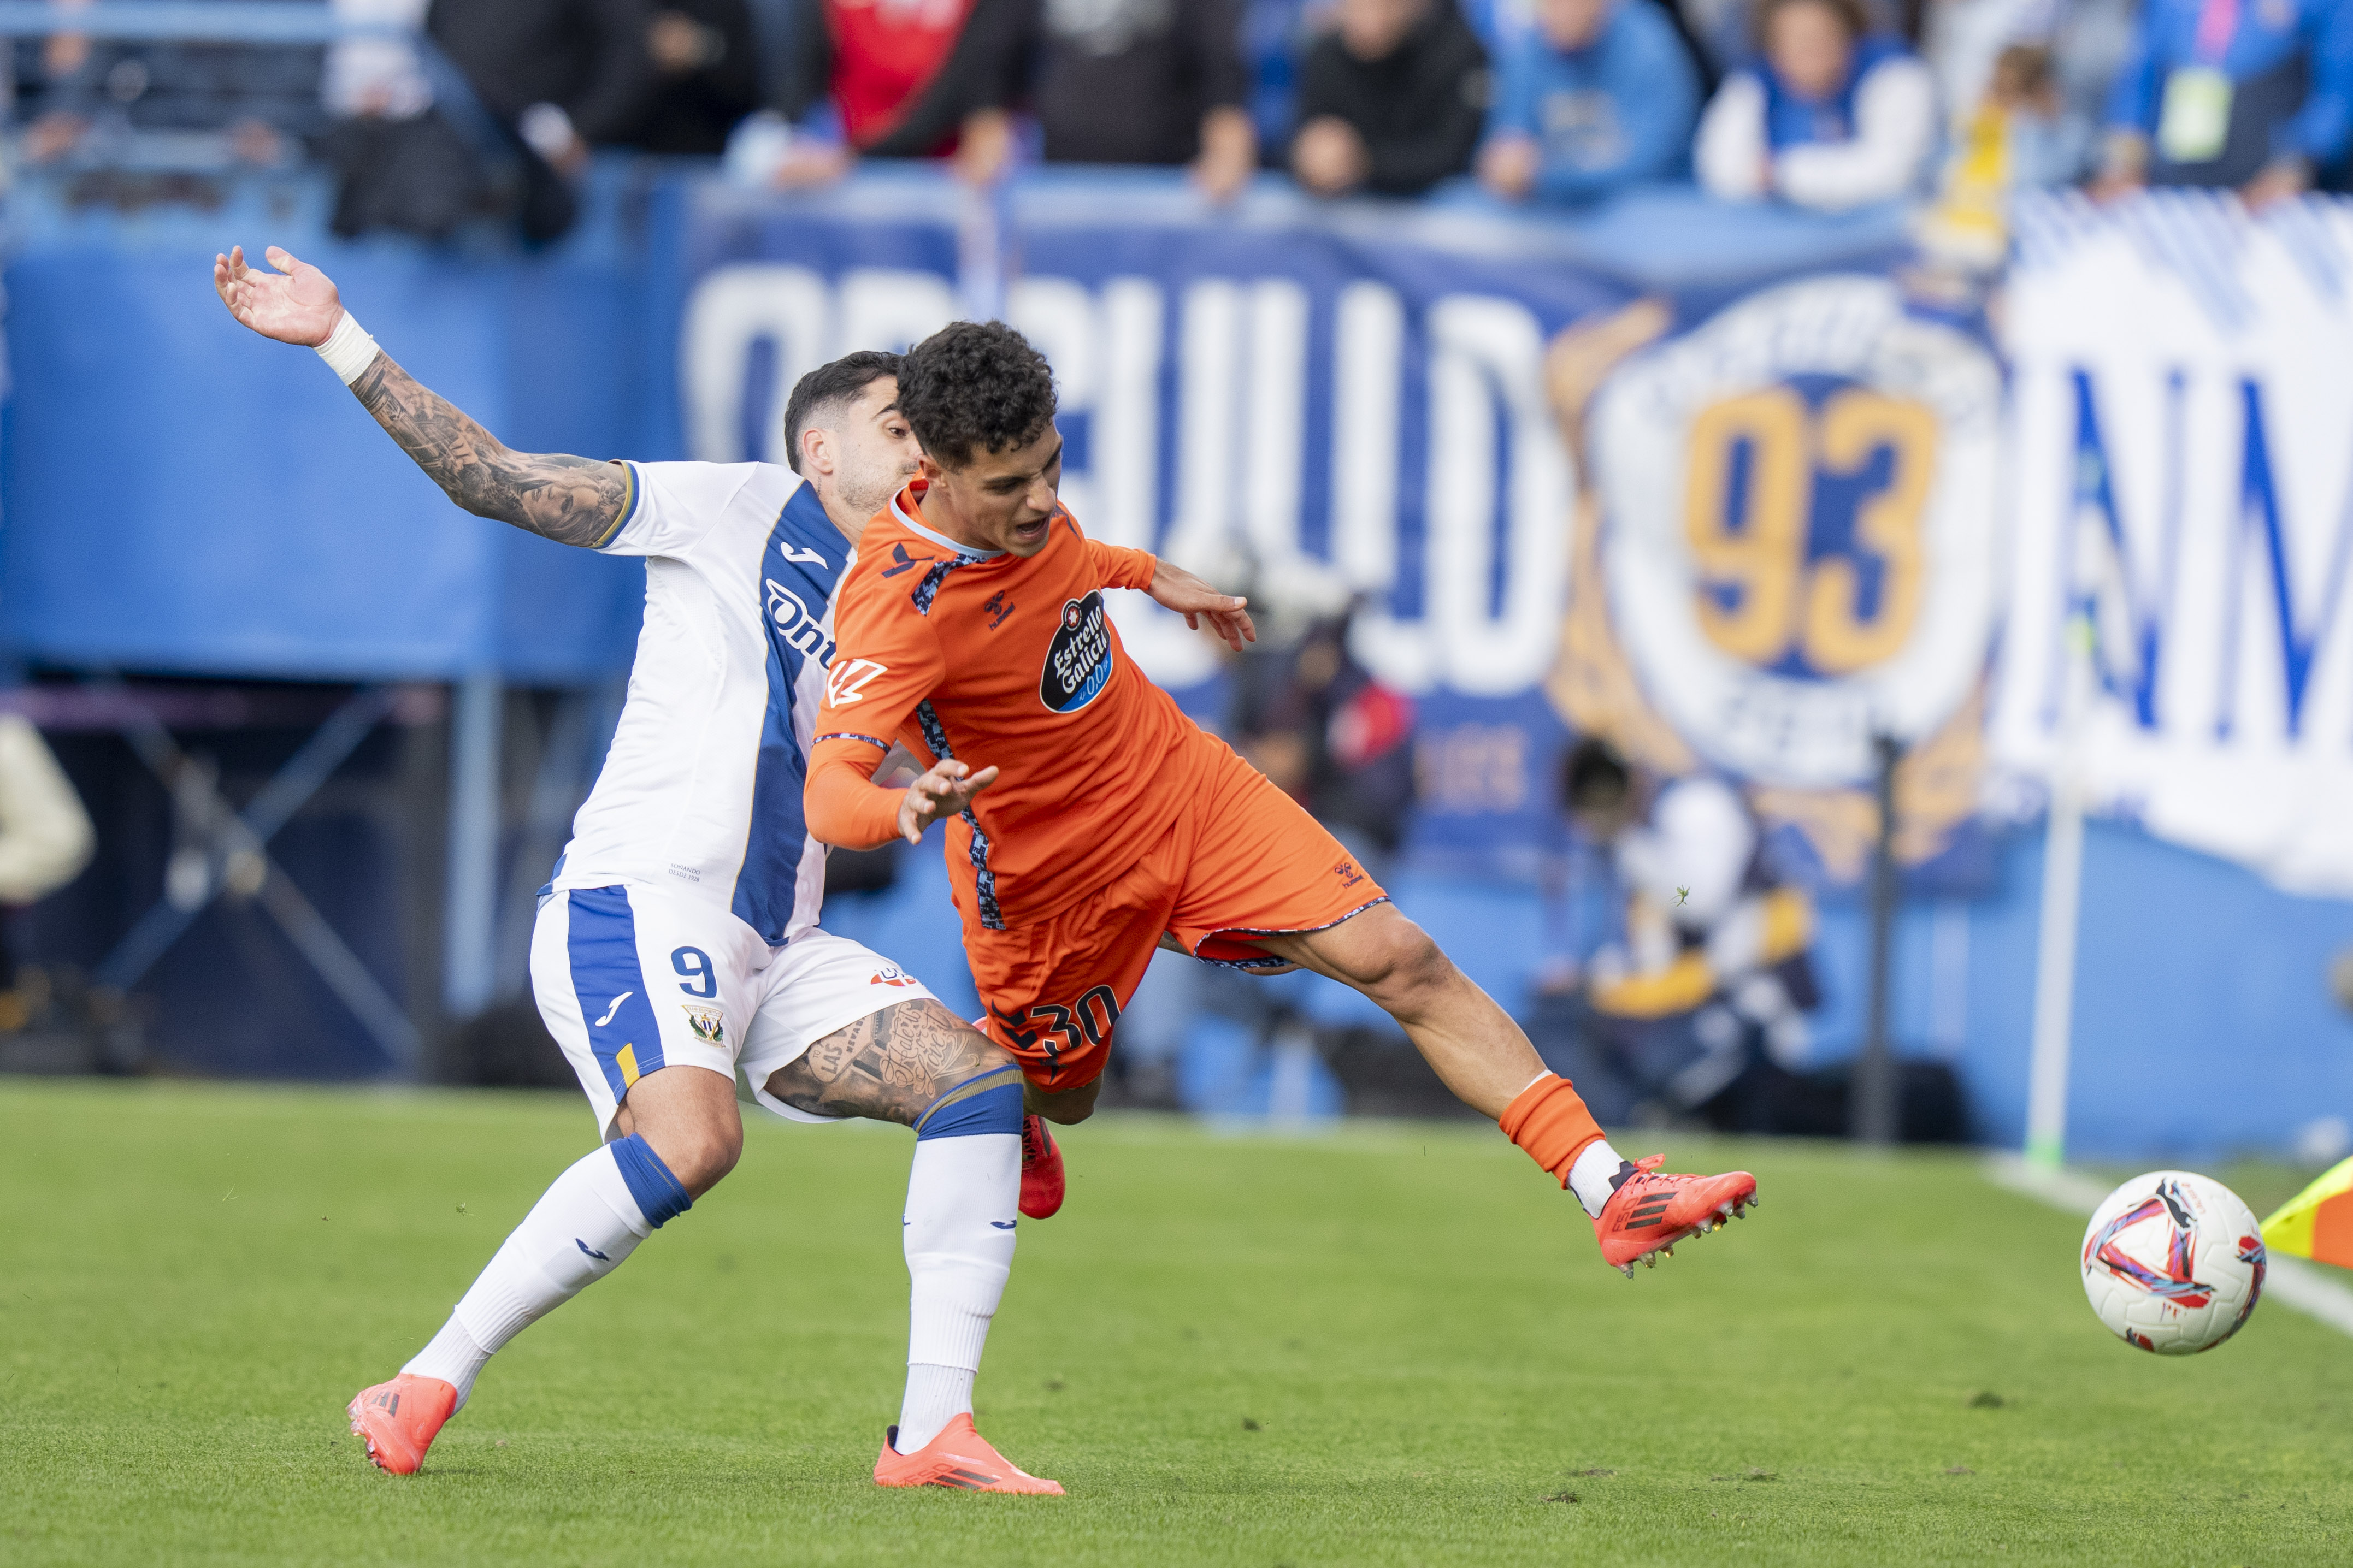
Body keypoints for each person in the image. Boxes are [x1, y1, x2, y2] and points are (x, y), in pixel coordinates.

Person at [211, 247, 1060, 1494]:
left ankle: (932, 1433)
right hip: (640, 902)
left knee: (981, 1087)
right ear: (820, 452)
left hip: (782, 941)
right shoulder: (727, 507)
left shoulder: (923, 594)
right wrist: (340, 337)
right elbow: (491, 478)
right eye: (897, 421)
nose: (923, 441)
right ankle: (425, 1377)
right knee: (692, 1141)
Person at [803, 321, 1761, 1279]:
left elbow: (1062, 560)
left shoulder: (1024, 499)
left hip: (1184, 788)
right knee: (1065, 1097)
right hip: (1050, 884)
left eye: (1051, 466)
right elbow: (830, 796)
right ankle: (1006, 1101)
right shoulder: (894, 609)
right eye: (1012, 486)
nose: (1044, 499)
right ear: (930, 467)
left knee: (1401, 958)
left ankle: (1612, 1188)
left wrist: (1148, 575)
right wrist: (905, 807)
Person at [1528, 739, 1820, 1129]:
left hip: (1747, 1006)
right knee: (1558, 1028)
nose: (1601, 803)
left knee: (1646, 1070)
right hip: (1683, 1003)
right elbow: (1650, 950)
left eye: (1608, 788)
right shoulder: (1632, 842)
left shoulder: (1695, 805)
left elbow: (1694, 900)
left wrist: (1627, 836)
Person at [2092, 0, 2353, 206]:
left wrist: (2294, 168)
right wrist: (2123, 163)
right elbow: (2139, 76)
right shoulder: (2168, 5)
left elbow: (2337, 91)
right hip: (2172, 169)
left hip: (2264, 179)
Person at [1694, 0, 1938, 209]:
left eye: (1819, 38)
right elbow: (1719, 171)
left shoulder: (1892, 74)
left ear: (1847, 31)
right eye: (1794, 43)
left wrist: (1782, 176)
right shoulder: (1754, 83)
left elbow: (1893, 173)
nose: (1809, 53)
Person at [766, 0, 1030, 187]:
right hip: (856, 184)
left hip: (945, 184)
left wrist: (853, 158)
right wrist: (791, 142)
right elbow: (805, 76)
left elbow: (961, 91)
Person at [1022, 0, 1260, 202]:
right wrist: (986, 108)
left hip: (1165, 174)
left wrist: (1226, 126)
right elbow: (996, 43)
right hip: (1059, 173)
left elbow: (1218, 58)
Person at [1478, 0, 1702, 204]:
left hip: (1649, 209)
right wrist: (1507, 166)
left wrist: (1545, 173)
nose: (1563, 12)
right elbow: (1506, 145)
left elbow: (1649, 162)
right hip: (1554, 214)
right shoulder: (1526, 50)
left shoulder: (1649, 45)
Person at [1288, 0, 1492, 197]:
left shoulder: (1459, 55)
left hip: (1433, 209)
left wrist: (1363, 162)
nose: (1371, 16)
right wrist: (1308, 156)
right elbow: (1298, 138)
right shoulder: (1325, 55)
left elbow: (1452, 153)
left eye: (1387, 5)